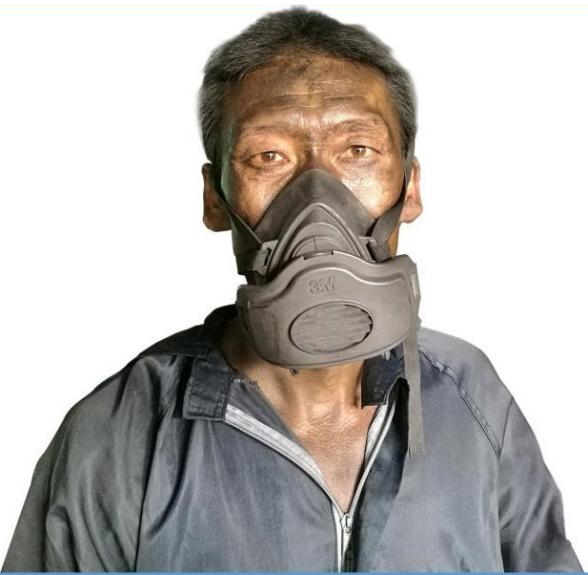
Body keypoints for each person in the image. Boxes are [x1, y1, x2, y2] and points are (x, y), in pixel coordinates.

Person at [2, 7, 582, 572]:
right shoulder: (120, 435)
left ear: (409, 187)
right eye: (269, 156)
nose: (317, 199)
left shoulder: (471, 398)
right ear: (215, 198)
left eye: (358, 150)